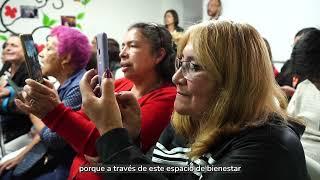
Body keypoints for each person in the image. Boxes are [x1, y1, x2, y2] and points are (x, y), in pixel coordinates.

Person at [75, 20, 309, 180]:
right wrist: (130, 140)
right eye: (180, 63)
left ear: (234, 79)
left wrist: (113, 135)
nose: (177, 78)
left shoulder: (269, 148)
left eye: (194, 66)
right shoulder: (187, 120)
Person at [15, 22, 177, 180]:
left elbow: (105, 147)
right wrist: (57, 105)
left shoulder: (167, 97)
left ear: (158, 55)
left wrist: (54, 112)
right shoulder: (121, 84)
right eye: (122, 46)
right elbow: (81, 133)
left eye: (132, 46)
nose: (122, 53)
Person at [0, 25, 91, 179]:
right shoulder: (66, 84)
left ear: (66, 57)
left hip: (67, 164)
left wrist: (33, 112)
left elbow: (54, 139)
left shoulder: (77, 89)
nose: (40, 54)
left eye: (48, 49)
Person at [287, 28, 320, 166]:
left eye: (317, 79)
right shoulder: (304, 85)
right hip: (297, 151)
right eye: (311, 80)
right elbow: (288, 123)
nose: (316, 86)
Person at [0, 35, 32, 154]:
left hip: (23, 130)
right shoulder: (7, 67)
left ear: (25, 50)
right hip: (6, 126)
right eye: (6, 45)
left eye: (13, 45)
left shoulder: (29, 72)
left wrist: (9, 93)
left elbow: (27, 106)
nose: (8, 48)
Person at [276, 27, 318, 98]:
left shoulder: (315, 71)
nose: (296, 49)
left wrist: (294, 93)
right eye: (295, 45)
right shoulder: (288, 64)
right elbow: (277, 83)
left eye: (300, 45)